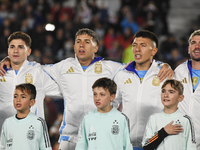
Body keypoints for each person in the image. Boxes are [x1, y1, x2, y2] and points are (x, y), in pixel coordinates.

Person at [0, 28, 173, 150]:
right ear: (74, 47)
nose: (81, 45)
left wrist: (161, 64)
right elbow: (31, 69)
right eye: (78, 42)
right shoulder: (62, 67)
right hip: (69, 137)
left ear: (96, 48)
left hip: (99, 135)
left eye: (87, 42)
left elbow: (138, 65)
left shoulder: (110, 68)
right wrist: (8, 60)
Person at [113, 30, 173, 150]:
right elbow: (111, 104)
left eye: (143, 45)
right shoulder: (122, 75)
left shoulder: (165, 74)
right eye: (134, 45)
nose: (137, 49)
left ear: (154, 51)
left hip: (156, 144)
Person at [0, 31, 61, 132]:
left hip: (31, 137)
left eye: (20, 47)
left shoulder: (38, 72)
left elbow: (67, 89)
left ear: (28, 51)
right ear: (8, 51)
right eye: (12, 47)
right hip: (5, 138)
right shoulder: (2, 72)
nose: (15, 51)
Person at [75, 77, 133, 150]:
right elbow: (81, 146)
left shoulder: (121, 118)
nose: (97, 98)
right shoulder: (87, 118)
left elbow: (127, 146)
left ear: (112, 97)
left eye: (102, 94)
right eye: (95, 94)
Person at [142, 79, 196, 150]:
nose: (166, 95)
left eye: (171, 92)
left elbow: (191, 147)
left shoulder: (185, 120)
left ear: (180, 98)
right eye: (163, 91)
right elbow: (146, 146)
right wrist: (163, 132)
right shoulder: (153, 118)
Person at [0, 83, 52, 150]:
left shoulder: (39, 122)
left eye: (23, 97)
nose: (18, 100)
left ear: (32, 102)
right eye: (15, 96)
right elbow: (2, 147)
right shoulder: (7, 123)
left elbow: (46, 148)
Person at [174, 29, 200, 149]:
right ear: (188, 49)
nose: (197, 46)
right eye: (193, 43)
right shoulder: (179, 71)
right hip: (180, 138)